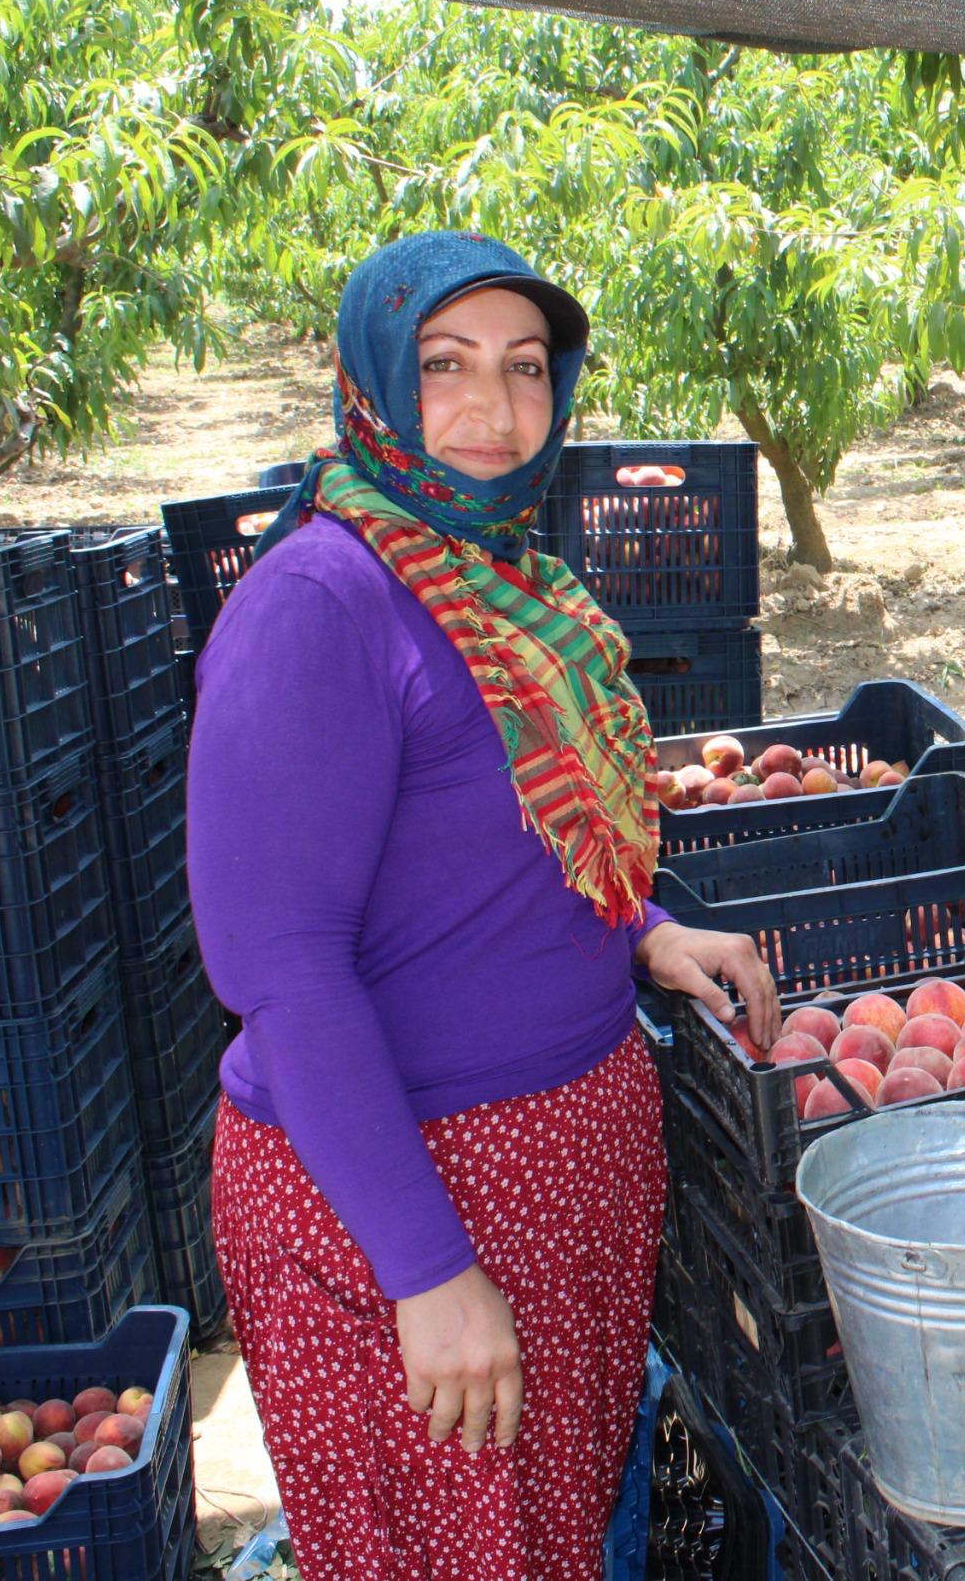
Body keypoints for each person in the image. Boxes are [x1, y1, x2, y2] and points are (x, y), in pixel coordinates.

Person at [188, 231, 778, 1581]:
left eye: (525, 368)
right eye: (444, 366)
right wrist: (426, 1270)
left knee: (571, 1534)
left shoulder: (508, 577)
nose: (492, 410)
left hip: (561, 1174)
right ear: (374, 383)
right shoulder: (317, 605)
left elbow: (514, 836)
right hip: (403, 1190)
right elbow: (280, 968)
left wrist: (642, 930)